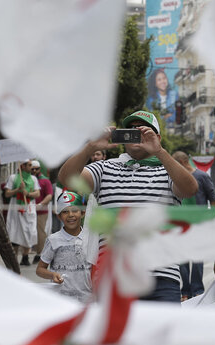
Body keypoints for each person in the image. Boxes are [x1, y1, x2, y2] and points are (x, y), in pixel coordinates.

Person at [58, 110, 197, 303]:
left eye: (142, 130)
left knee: (159, 333)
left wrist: (160, 151)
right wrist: (90, 147)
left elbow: (190, 189)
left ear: (156, 137)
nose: (135, 133)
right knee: (117, 334)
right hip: (115, 275)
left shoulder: (167, 170)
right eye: (130, 129)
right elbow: (68, 180)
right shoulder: (104, 168)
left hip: (162, 275)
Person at [174, 150, 215, 300]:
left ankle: (197, 291)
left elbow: (212, 199)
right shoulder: (175, 179)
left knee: (197, 259)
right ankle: (185, 291)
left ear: (183, 163)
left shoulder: (202, 176)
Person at [37, 191, 91, 303]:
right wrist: (52, 275)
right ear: (59, 216)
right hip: (61, 300)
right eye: (65, 212)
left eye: (75, 210)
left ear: (83, 213)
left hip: (87, 299)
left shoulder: (91, 238)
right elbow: (40, 269)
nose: (71, 215)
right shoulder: (53, 240)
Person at [5, 160, 41, 266]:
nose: (32, 167)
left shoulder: (33, 178)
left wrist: (28, 193)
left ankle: (25, 257)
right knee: (14, 231)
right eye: (29, 165)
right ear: (23, 166)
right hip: (16, 208)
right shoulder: (13, 178)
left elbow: (37, 193)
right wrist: (18, 190)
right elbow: (7, 194)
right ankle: (14, 258)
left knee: (29, 231)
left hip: (29, 208)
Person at [31, 160, 54, 265]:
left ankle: (40, 254)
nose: (34, 170)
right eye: (32, 168)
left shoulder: (45, 181)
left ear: (39, 169)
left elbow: (49, 195)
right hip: (27, 211)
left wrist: (40, 205)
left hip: (41, 211)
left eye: (36, 168)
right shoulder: (27, 180)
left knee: (40, 233)